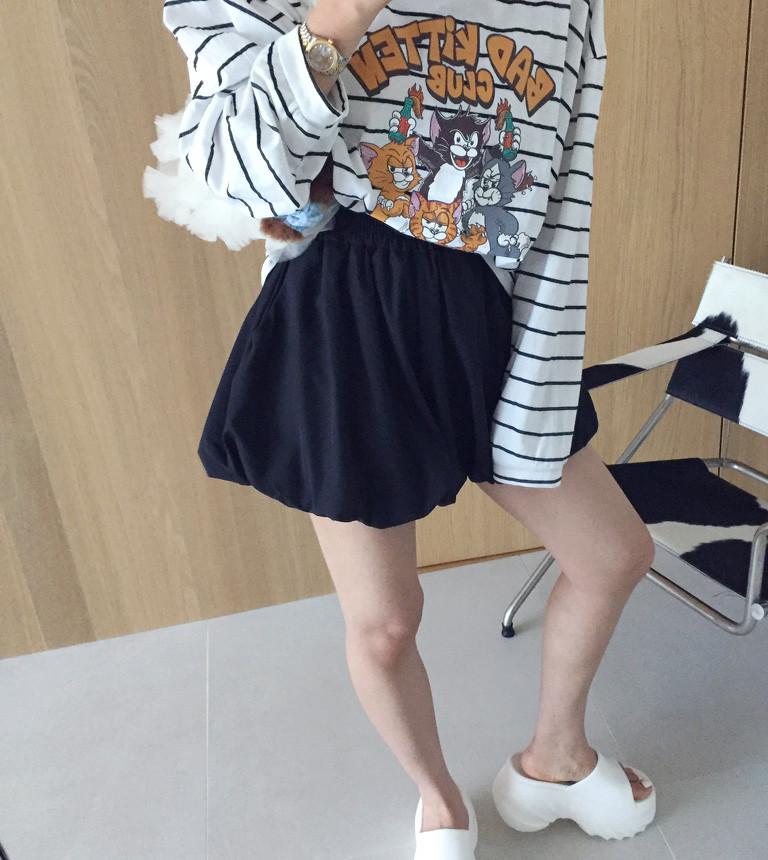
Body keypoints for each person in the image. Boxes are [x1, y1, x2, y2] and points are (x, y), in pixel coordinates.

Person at [160, 0, 656, 856]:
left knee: (612, 554)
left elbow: (559, 193)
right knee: (386, 624)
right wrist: (345, 15)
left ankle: (556, 760)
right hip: (344, 311)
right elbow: (235, 172)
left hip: (485, 306)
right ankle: (438, 796)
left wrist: (544, 340)